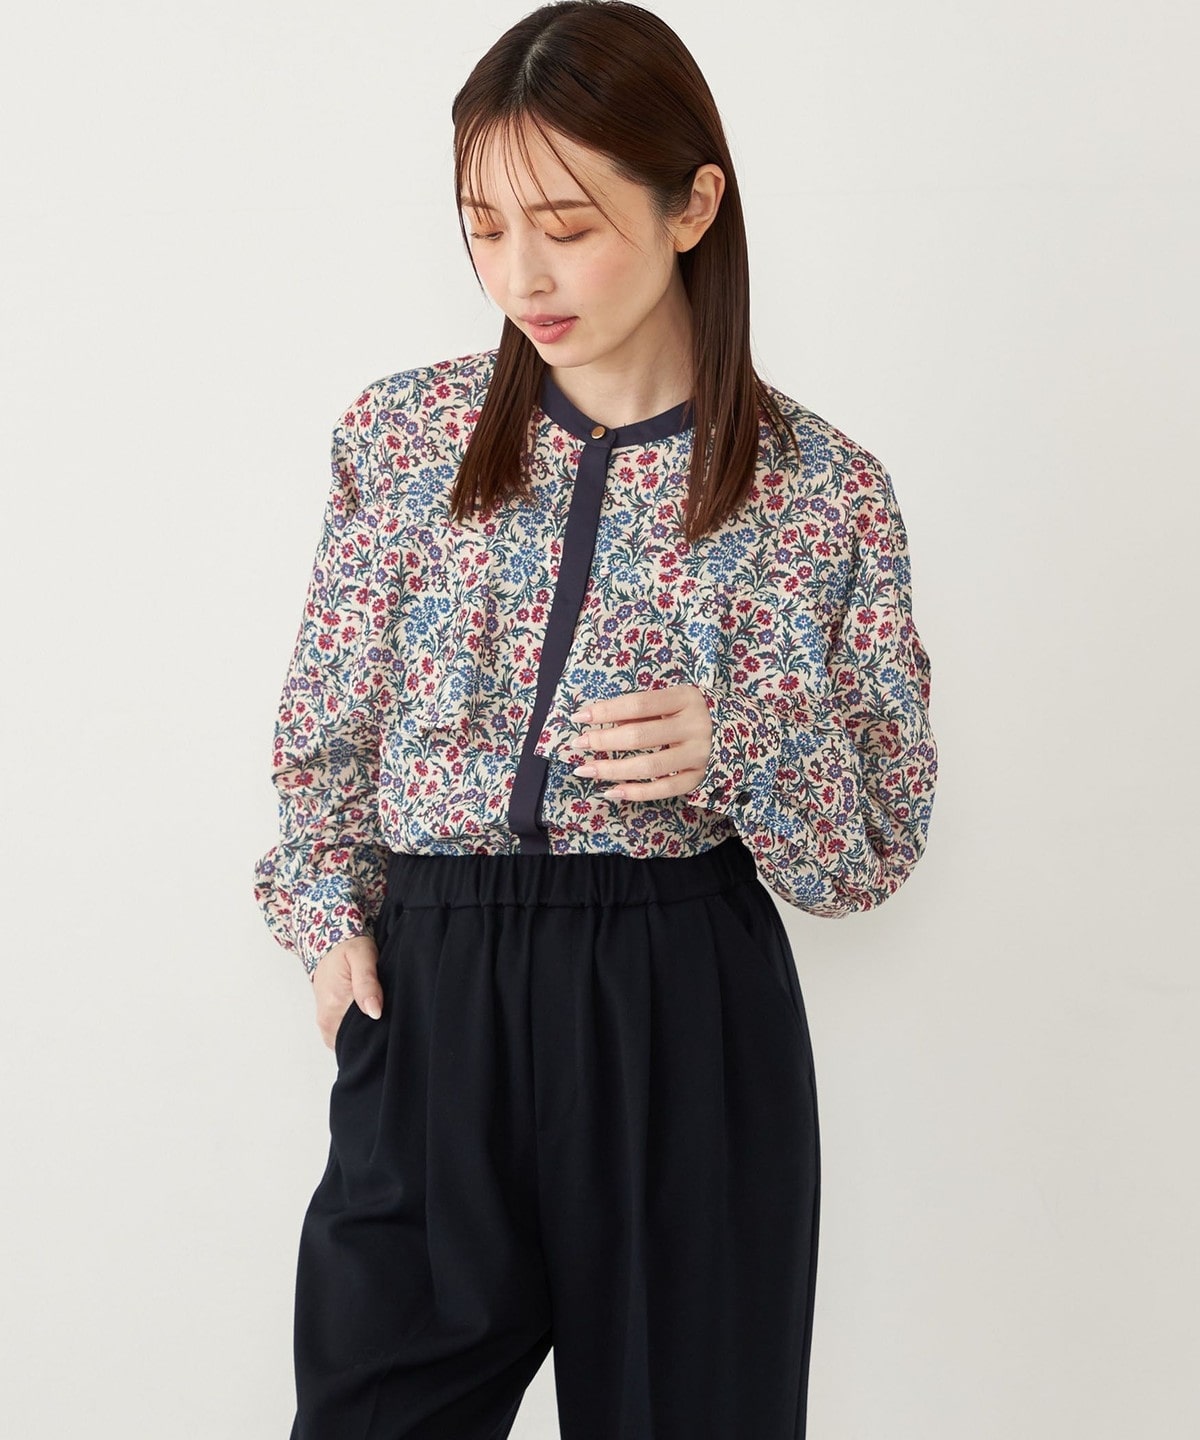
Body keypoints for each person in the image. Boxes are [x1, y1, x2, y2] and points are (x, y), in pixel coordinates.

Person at [251, 2, 938, 1436]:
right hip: (435, 1001)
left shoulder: (823, 491)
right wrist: (327, 923)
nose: (522, 274)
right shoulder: (403, 437)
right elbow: (325, 732)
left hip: (680, 1006)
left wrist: (748, 740)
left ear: (693, 204)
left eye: (566, 225)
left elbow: (872, 853)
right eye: (484, 227)